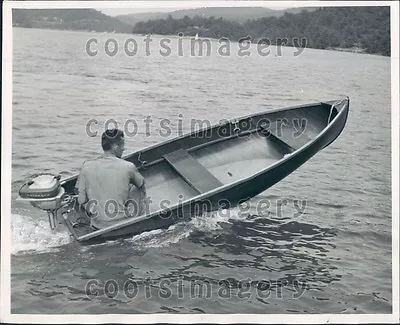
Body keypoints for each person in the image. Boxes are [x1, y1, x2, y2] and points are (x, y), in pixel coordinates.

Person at [75, 129, 146, 230]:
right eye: (122, 146)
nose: (124, 149)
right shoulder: (128, 166)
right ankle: (139, 218)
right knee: (137, 186)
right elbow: (141, 183)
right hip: (121, 222)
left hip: (97, 224)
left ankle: (99, 217)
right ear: (116, 148)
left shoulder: (86, 166)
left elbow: (81, 200)